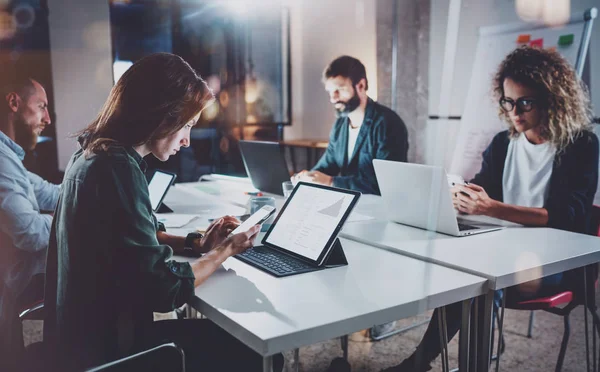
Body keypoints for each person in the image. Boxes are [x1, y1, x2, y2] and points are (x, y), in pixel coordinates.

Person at [43, 53, 283, 371]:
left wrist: (198, 244)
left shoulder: (91, 152)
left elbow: (139, 235)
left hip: (79, 342)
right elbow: (164, 289)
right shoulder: (118, 169)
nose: (186, 141)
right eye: (187, 126)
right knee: (262, 356)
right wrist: (226, 249)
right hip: (111, 352)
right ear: (162, 115)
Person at [384, 46, 599, 372]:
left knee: (477, 280)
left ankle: (425, 363)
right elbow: (483, 186)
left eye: (525, 102)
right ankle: (430, 362)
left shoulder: (581, 144)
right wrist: (460, 194)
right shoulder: (503, 143)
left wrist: (493, 208)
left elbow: (569, 214)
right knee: (459, 269)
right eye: (508, 101)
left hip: (558, 262)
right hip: (505, 248)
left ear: (552, 99)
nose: (515, 111)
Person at [0, 74, 59, 369]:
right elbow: (30, 233)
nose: (47, 118)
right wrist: (56, 219)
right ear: (14, 102)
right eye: (41, 106)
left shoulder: (10, 160)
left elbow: (52, 193)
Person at [293, 55, 408, 195]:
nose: (333, 98)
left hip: (379, 209)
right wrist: (309, 177)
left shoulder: (388, 123)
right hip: (349, 204)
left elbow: (385, 184)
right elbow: (328, 164)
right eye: (330, 91)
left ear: (361, 85)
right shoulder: (340, 125)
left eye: (339, 89)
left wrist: (331, 182)